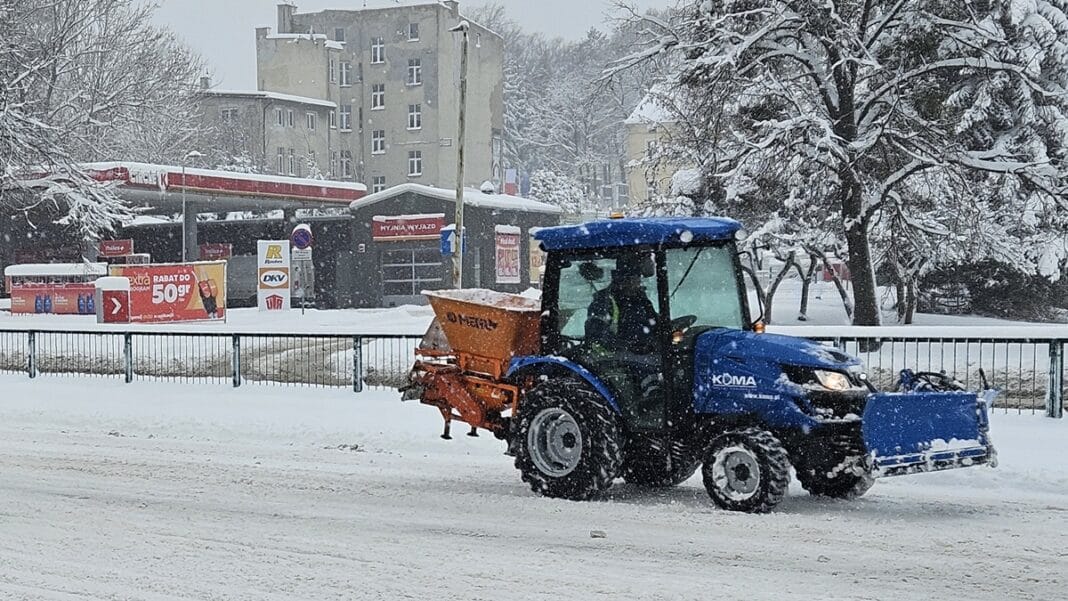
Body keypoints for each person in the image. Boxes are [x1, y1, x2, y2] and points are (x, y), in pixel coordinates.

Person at [585, 255, 659, 354]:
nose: (633, 284)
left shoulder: (642, 300)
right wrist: (629, 347)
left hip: (647, 358)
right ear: (618, 281)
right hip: (616, 362)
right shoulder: (603, 302)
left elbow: (656, 324)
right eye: (628, 280)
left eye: (636, 279)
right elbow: (596, 337)